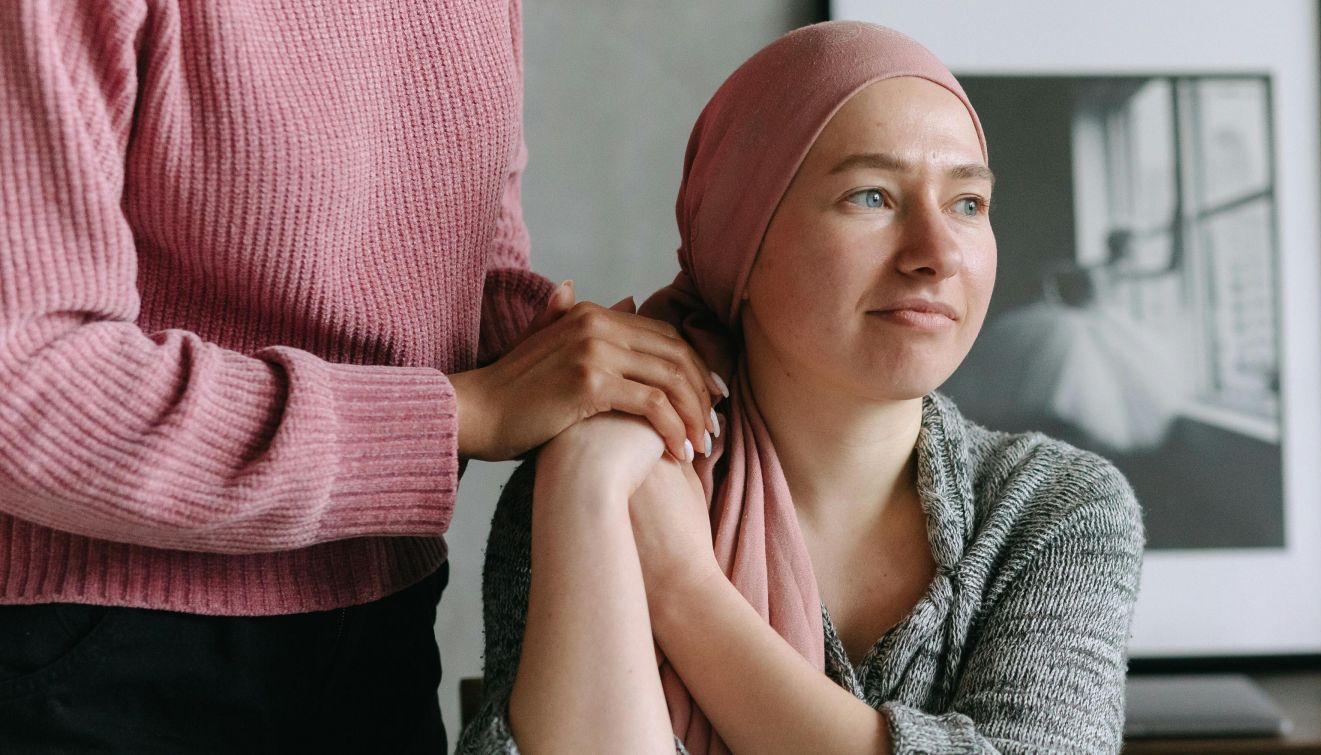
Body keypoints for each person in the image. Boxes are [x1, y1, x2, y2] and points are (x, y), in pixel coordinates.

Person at [0, 3, 722, 751]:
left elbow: (457, 268)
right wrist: (465, 413)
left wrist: (579, 359)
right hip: (101, 651)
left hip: (383, 620)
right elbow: (28, 385)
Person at [458, 20, 1145, 755]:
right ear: (741, 241)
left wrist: (684, 589)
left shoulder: (1057, 509)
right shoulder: (601, 480)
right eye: (873, 197)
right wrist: (587, 473)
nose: (937, 254)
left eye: (967, 203)